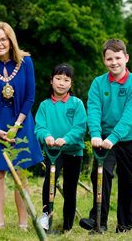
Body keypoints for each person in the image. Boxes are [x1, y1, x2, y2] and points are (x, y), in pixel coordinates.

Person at [0, 21, 43, 230]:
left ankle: (23, 224)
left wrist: (17, 125)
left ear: (10, 40)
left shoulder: (26, 62)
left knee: (20, 172)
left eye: (3, 39)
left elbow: (30, 97)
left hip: (20, 122)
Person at [79, 39, 132, 233]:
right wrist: (96, 134)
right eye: (109, 59)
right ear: (104, 60)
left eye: (118, 58)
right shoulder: (98, 83)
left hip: (130, 139)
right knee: (100, 174)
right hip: (104, 138)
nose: (114, 62)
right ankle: (98, 221)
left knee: (128, 182)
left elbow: (131, 116)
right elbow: (93, 110)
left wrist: (113, 138)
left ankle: (125, 224)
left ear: (126, 58)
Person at [34, 64, 87, 232]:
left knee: (70, 188)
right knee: (49, 183)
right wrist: (47, 137)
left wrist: (65, 139)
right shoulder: (44, 106)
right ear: (51, 81)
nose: (61, 83)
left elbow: (80, 128)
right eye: (58, 79)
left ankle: (67, 226)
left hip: (73, 152)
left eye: (66, 80)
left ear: (71, 84)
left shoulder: (76, 104)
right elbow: (39, 127)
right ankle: (46, 219)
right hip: (53, 152)